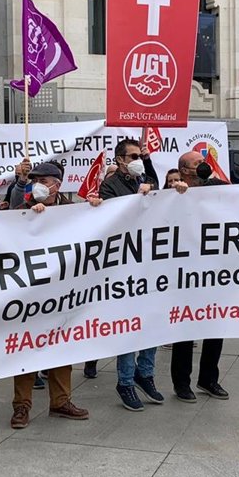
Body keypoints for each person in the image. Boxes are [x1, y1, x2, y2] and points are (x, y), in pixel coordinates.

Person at [9, 161, 92, 428]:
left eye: (43, 181)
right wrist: (28, 218)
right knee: (25, 351)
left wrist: (97, 208)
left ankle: (60, 401)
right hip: (30, 296)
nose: (38, 186)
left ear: (57, 184)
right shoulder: (21, 212)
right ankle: (21, 406)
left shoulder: (73, 211)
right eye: (35, 181)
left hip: (62, 294)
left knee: (61, 349)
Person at [97, 140, 165, 410]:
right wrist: (138, 196)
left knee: (152, 324)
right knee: (128, 325)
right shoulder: (110, 185)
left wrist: (153, 189)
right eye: (133, 156)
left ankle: (145, 373)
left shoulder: (148, 179)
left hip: (149, 263)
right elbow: (115, 218)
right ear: (120, 159)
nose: (138, 160)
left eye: (140, 156)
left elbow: (164, 205)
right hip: (124, 266)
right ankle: (125, 381)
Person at [168, 151, 230, 402]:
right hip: (186, 272)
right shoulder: (173, 192)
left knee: (215, 326)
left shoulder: (213, 186)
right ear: (184, 170)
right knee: (185, 330)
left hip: (213, 270)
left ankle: (209, 379)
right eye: (197, 164)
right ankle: (181, 383)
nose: (203, 166)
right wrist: (177, 193)